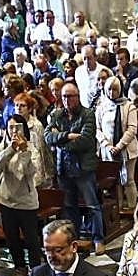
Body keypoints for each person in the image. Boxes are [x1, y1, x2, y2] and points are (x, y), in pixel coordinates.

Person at [45, 82, 104, 255]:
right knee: (69, 207)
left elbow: (85, 141)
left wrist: (60, 141)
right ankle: (74, 239)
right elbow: (47, 136)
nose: (66, 100)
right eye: (64, 96)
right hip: (64, 168)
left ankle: (98, 239)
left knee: (92, 205)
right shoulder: (57, 115)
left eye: (70, 96)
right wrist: (68, 136)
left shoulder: (87, 114)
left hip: (83, 168)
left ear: (77, 97)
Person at [0, 114, 41, 276]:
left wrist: (24, 151)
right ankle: (19, 266)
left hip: (26, 201)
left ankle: (35, 268)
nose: (13, 131)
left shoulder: (32, 149)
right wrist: (10, 149)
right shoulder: (3, 146)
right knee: (11, 238)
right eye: (10, 127)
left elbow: (27, 172)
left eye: (17, 127)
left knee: (31, 239)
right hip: (6, 199)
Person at [95, 76, 138, 213]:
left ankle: (132, 207)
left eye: (115, 90)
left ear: (120, 90)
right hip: (108, 149)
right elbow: (97, 129)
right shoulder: (101, 107)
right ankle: (118, 209)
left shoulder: (129, 106)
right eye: (109, 89)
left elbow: (132, 129)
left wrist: (119, 146)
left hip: (127, 149)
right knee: (115, 181)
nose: (111, 93)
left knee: (128, 180)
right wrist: (107, 145)